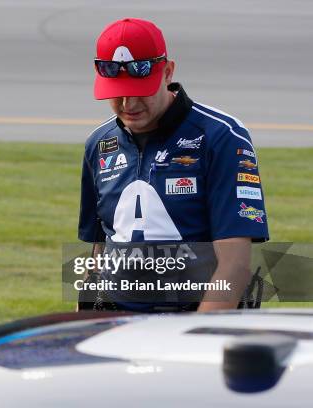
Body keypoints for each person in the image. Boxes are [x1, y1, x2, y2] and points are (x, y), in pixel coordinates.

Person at [78, 18, 268, 312]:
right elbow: (98, 250)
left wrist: (192, 339)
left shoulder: (221, 137)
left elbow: (236, 266)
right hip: (117, 327)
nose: (128, 103)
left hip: (194, 325)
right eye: (117, 92)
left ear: (168, 72)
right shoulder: (98, 143)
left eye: (140, 90)